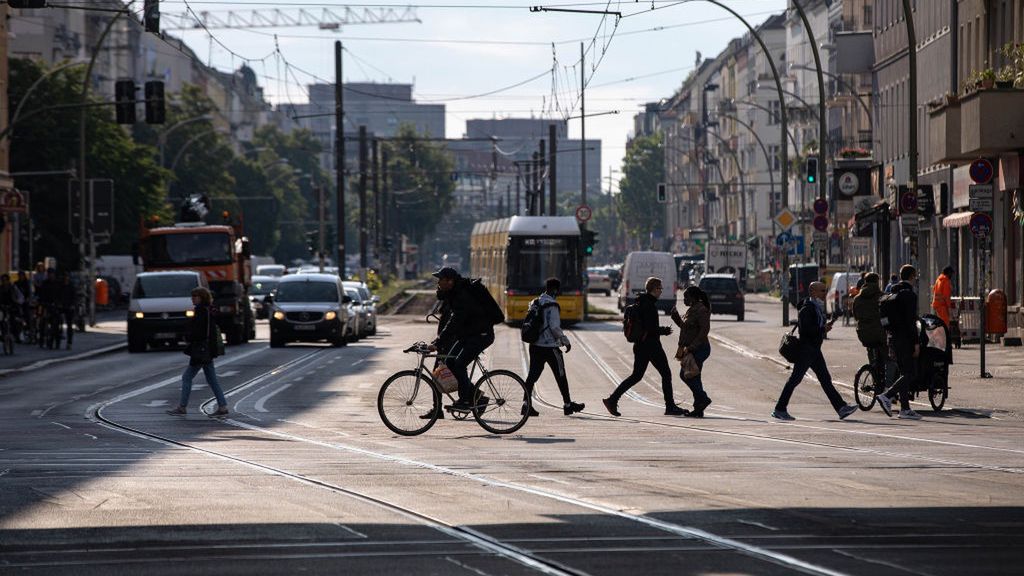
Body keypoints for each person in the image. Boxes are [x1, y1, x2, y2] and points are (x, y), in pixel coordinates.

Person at [771, 281, 858, 421]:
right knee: (795, 379)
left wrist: (823, 328)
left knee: (825, 380)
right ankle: (780, 409)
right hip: (806, 349)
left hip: (814, 349)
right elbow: (805, 330)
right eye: (822, 291)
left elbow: (815, 327)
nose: (825, 293)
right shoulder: (807, 308)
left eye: (825, 290)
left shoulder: (816, 307)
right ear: (813, 292)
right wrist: (822, 330)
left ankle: (841, 408)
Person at [602, 277, 687, 417]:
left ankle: (612, 399)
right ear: (653, 289)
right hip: (651, 345)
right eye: (659, 288)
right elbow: (650, 328)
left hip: (641, 345)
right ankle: (670, 406)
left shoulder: (642, 302)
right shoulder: (649, 305)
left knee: (636, 376)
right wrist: (663, 330)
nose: (661, 291)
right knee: (666, 373)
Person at [428, 266, 495, 412]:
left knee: (459, 364)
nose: (438, 282)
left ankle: (466, 401)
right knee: (450, 362)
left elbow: (454, 322)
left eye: (441, 279)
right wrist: (438, 342)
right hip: (468, 334)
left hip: (481, 335)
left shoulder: (461, 296)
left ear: (450, 281)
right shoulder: (454, 293)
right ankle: (475, 398)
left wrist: (438, 342)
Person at [521, 277, 585, 417]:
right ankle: (568, 405)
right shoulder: (552, 305)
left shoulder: (535, 302)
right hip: (550, 347)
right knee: (560, 374)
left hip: (535, 346)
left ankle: (526, 404)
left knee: (532, 376)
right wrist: (565, 341)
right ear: (555, 289)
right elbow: (555, 327)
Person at [166, 287, 228, 417]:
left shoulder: (201, 311)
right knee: (212, 379)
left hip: (201, 350)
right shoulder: (209, 310)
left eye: (195, 296)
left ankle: (182, 407)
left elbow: (199, 332)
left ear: (202, 297)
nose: (192, 298)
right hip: (207, 349)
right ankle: (222, 406)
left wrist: (188, 336)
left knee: (187, 377)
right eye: (192, 296)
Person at [876, 265, 923, 420]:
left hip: (893, 337)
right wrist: (916, 342)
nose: (916, 279)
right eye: (915, 276)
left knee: (903, 373)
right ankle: (887, 395)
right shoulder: (910, 295)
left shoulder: (893, 292)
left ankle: (905, 409)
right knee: (910, 373)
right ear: (912, 276)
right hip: (906, 339)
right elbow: (910, 321)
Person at [670, 286, 712, 417]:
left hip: (700, 348)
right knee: (694, 376)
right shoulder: (692, 310)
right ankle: (699, 408)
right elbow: (686, 328)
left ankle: (703, 399)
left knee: (686, 375)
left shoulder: (702, 310)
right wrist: (676, 318)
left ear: (693, 297)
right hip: (691, 348)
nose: (684, 300)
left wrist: (692, 347)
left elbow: (704, 331)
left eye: (686, 297)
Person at [852, 272, 886, 391]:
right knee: (887, 356)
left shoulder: (857, 299)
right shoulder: (881, 296)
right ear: (877, 282)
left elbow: (855, 316)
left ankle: (872, 370)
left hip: (863, 333)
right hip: (879, 333)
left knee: (871, 351)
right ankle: (885, 385)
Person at [58, 272, 78, 350]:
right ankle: (58, 335)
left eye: (67, 277)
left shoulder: (71, 286)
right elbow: (57, 295)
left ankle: (69, 342)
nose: (66, 279)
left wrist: (72, 305)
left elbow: (74, 297)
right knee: (57, 321)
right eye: (64, 278)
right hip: (61, 306)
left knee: (69, 325)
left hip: (69, 307)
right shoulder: (60, 286)